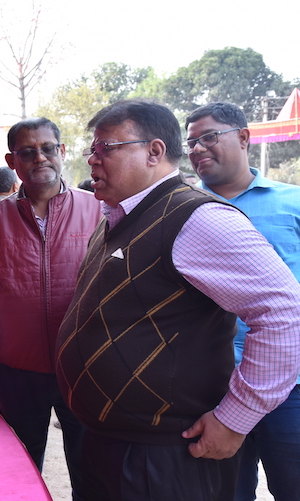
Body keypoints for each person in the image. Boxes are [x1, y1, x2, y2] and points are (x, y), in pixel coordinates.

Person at [55, 99, 300, 501]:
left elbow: (284, 314)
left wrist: (235, 419)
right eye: (91, 149)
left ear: (154, 152)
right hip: (115, 443)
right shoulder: (117, 217)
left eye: (106, 148)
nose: (92, 160)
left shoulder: (197, 218)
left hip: (165, 457)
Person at [0, 117, 102, 500]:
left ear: (62, 151)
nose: (40, 158)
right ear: (12, 161)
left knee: (93, 475)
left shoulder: (98, 210)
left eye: (47, 148)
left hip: (85, 371)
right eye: (27, 152)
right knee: (18, 475)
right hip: (17, 375)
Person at [187, 102, 300, 501]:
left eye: (208, 137)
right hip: (213, 388)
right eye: (191, 143)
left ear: (244, 137)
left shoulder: (292, 202)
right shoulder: (183, 211)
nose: (197, 149)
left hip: (290, 387)